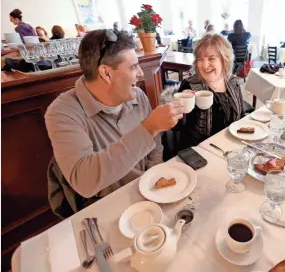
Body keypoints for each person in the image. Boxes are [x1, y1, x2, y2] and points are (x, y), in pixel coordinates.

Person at [45, 29, 184, 198]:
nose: (140, 73)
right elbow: (84, 181)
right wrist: (149, 128)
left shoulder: (137, 96)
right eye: (133, 67)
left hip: (148, 191)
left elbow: (155, 148)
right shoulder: (62, 113)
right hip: (107, 204)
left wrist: (156, 180)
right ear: (106, 73)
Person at [173, 33, 245, 150]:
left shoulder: (233, 81)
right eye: (200, 59)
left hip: (231, 147)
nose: (205, 65)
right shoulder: (190, 85)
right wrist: (181, 109)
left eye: (211, 58)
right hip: (201, 152)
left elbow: (241, 115)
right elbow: (178, 130)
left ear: (224, 60)